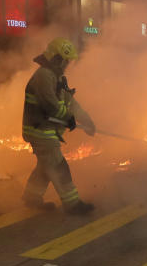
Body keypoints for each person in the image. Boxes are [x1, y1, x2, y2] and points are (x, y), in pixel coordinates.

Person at [21, 37, 97, 214]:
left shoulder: (56, 77)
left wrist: (86, 121)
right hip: (40, 131)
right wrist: (69, 118)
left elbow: (71, 103)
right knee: (58, 166)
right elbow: (50, 104)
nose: (67, 65)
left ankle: (31, 198)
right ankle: (73, 205)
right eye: (66, 61)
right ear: (57, 58)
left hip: (47, 130)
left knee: (45, 166)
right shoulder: (43, 76)